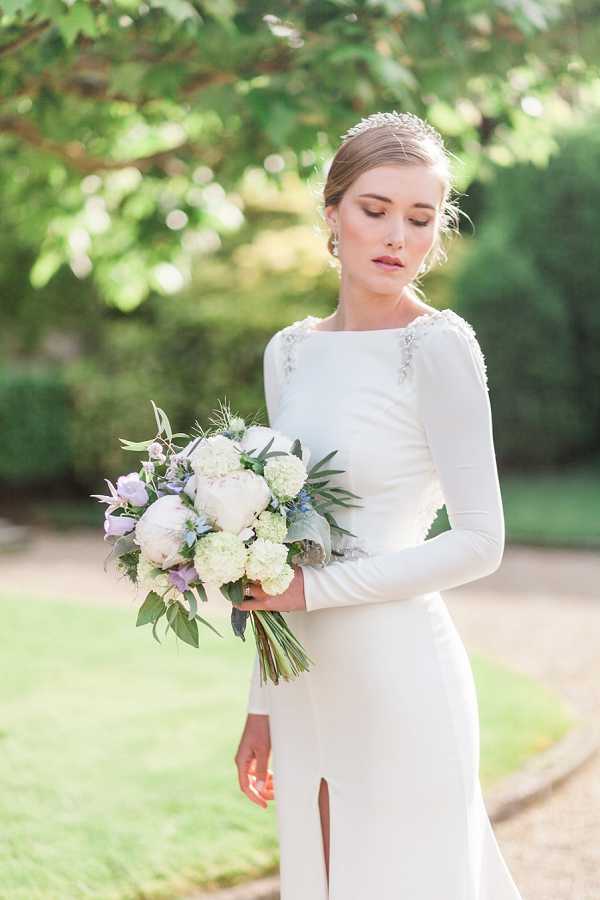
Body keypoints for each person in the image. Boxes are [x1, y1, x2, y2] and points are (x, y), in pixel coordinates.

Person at [233, 110, 524, 899]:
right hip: (299, 679)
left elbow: (480, 541)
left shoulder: (438, 348)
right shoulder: (289, 351)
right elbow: (274, 545)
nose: (398, 235)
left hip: (399, 671)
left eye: (420, 218)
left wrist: (316, 590)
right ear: (332, 214)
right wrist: (260, 705)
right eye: (375, 209)